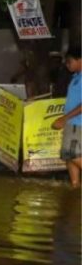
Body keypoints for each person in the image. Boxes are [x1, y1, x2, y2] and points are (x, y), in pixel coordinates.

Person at [52, 46, 81, 188]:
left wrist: (65, 118)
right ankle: (75, 186)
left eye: (69, 61)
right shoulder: (76, 77)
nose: (67, 64)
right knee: (69, 157)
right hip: (72, 121)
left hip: (78, 122)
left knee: (71, 153)